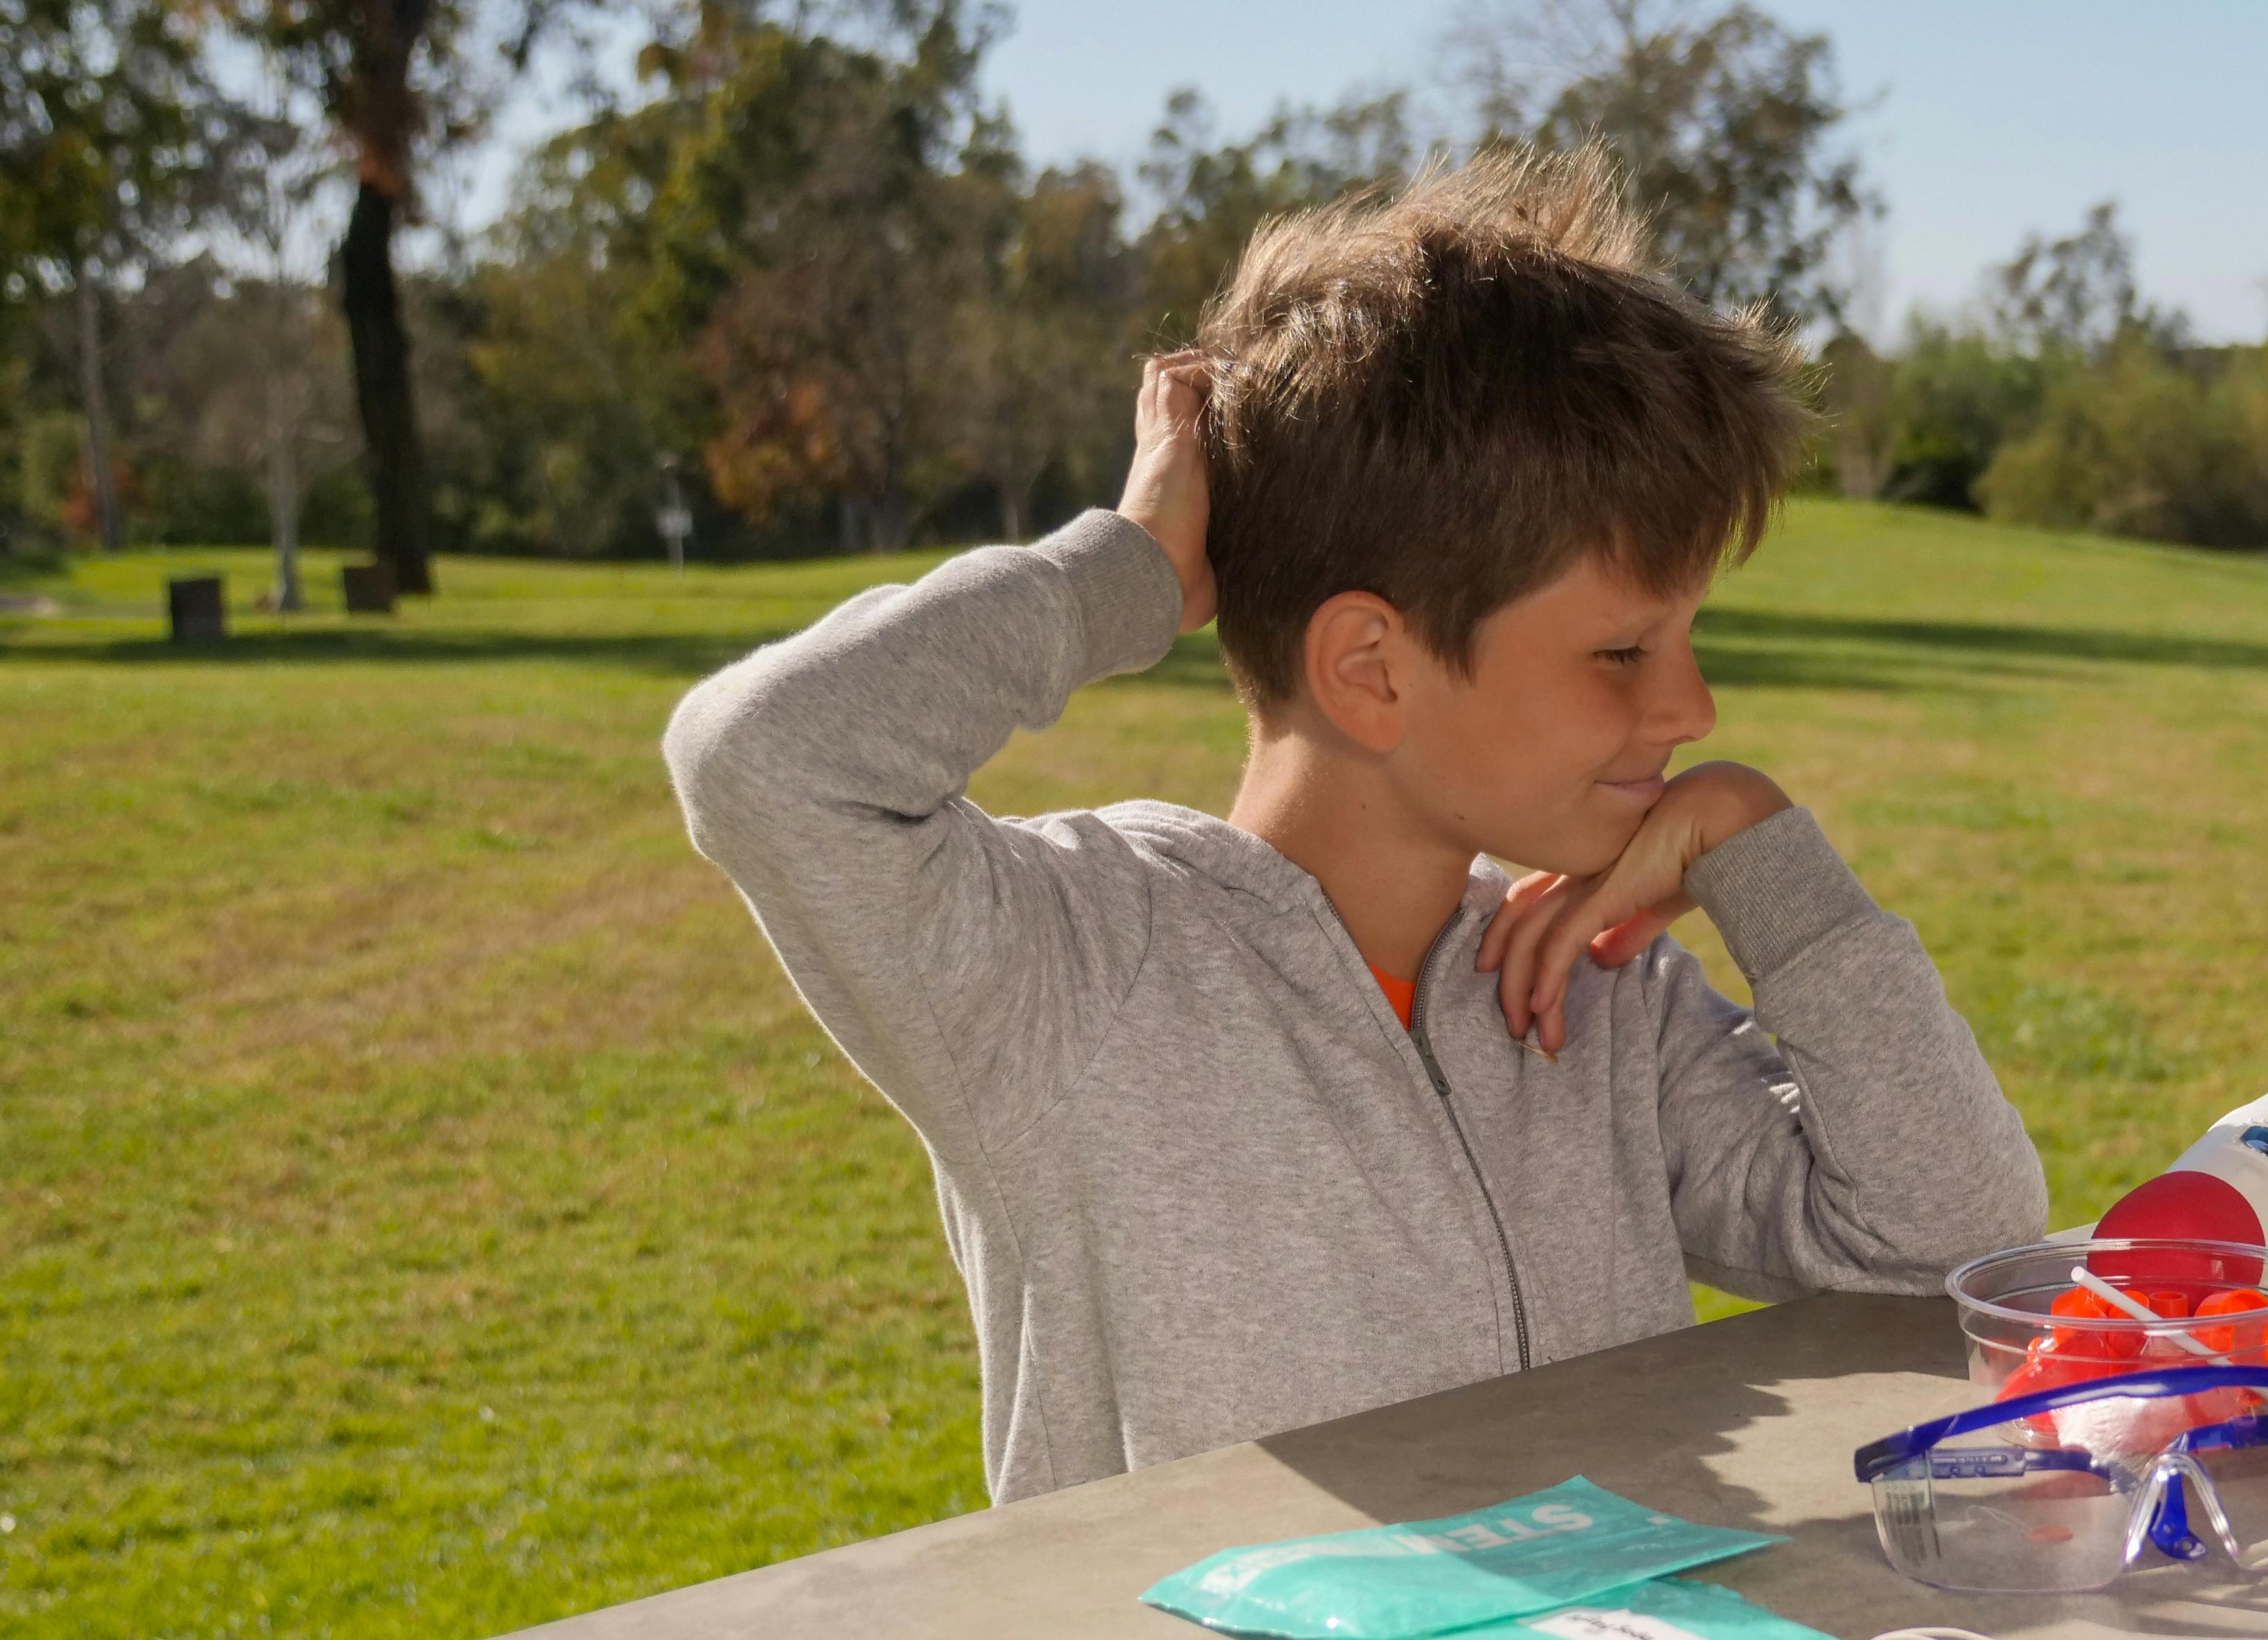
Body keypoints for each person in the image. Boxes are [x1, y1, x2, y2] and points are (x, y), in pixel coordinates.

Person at [662, 150, 2046, 1503]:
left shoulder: (1590, 984)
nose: (1692, 706)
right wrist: (1130, 569)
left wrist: (1759, 846)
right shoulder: (1066, 975)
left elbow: (1949, 1238)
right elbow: (766, 759)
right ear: (1371, 670)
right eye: (1624, 653)